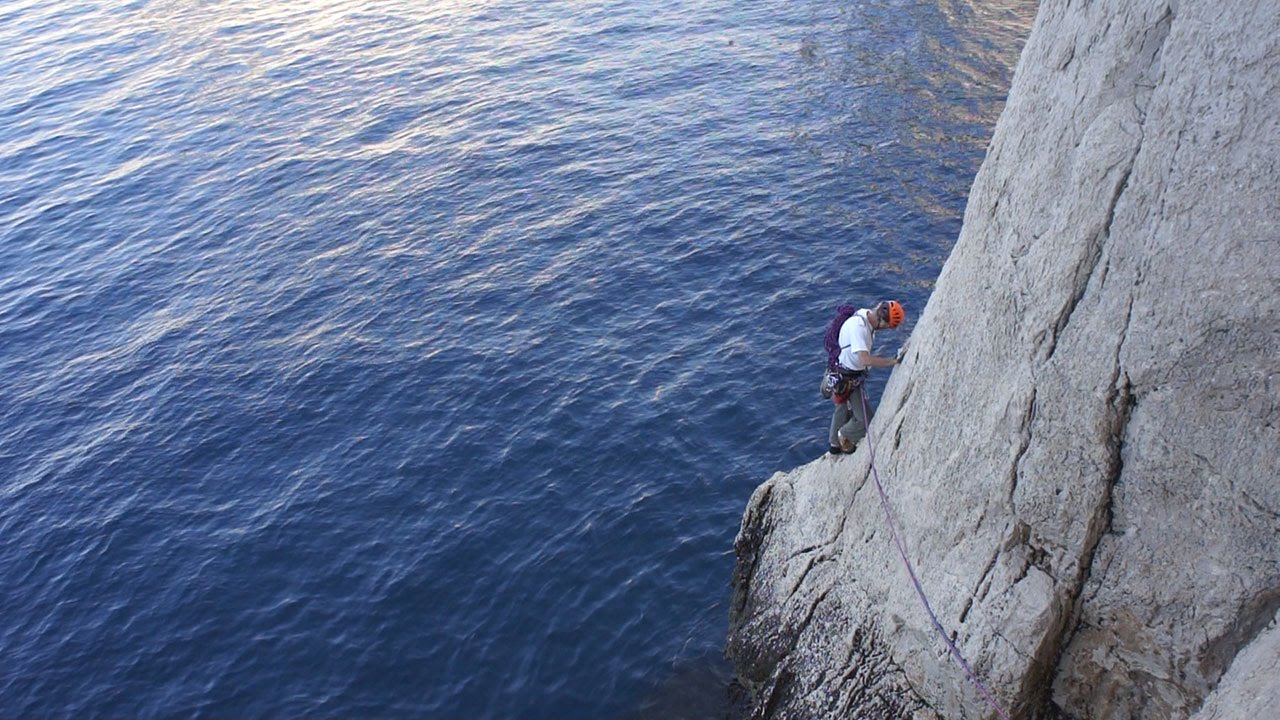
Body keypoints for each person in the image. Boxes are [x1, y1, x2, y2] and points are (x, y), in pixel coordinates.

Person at [828, 300, 905, 454]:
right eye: (888, 327)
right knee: (866, 421)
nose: (886, 330)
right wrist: (892, 361)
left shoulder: (864, 315)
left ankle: (834, 444)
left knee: (842, 408)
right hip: (846, 377)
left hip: (845, 373)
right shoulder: (859, 328)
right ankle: (843, 435)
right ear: (882, 322)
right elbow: (865, 359)